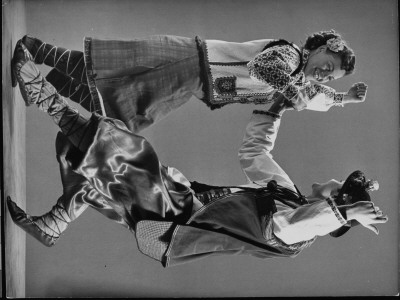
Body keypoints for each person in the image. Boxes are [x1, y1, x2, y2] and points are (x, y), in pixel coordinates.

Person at [7, 45, 387, 267]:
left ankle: (39, 89)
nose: (337, 178)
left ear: (335, 200)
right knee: (86, 155)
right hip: (180, 201)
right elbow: (255, 152)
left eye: (341, 187)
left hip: (179, 221)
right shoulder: (286, 194)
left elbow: (300, 226)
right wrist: (276, 108)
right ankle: (54, 224)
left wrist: (342, 215)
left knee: (124, 150)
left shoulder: (295, 232)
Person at [14, 29, 367, 133]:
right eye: (327, 64)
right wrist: (293, 91)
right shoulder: (289, 56)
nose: (322, 75)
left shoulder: (301, 77)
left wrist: (343, 99)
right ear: (321, 47)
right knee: (121, 85)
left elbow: (316, 95)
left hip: (196, 81)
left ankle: (51, 77)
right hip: (193, 64)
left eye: (328, 76)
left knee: (123, 105)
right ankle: (34, 50)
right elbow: (263, 69)